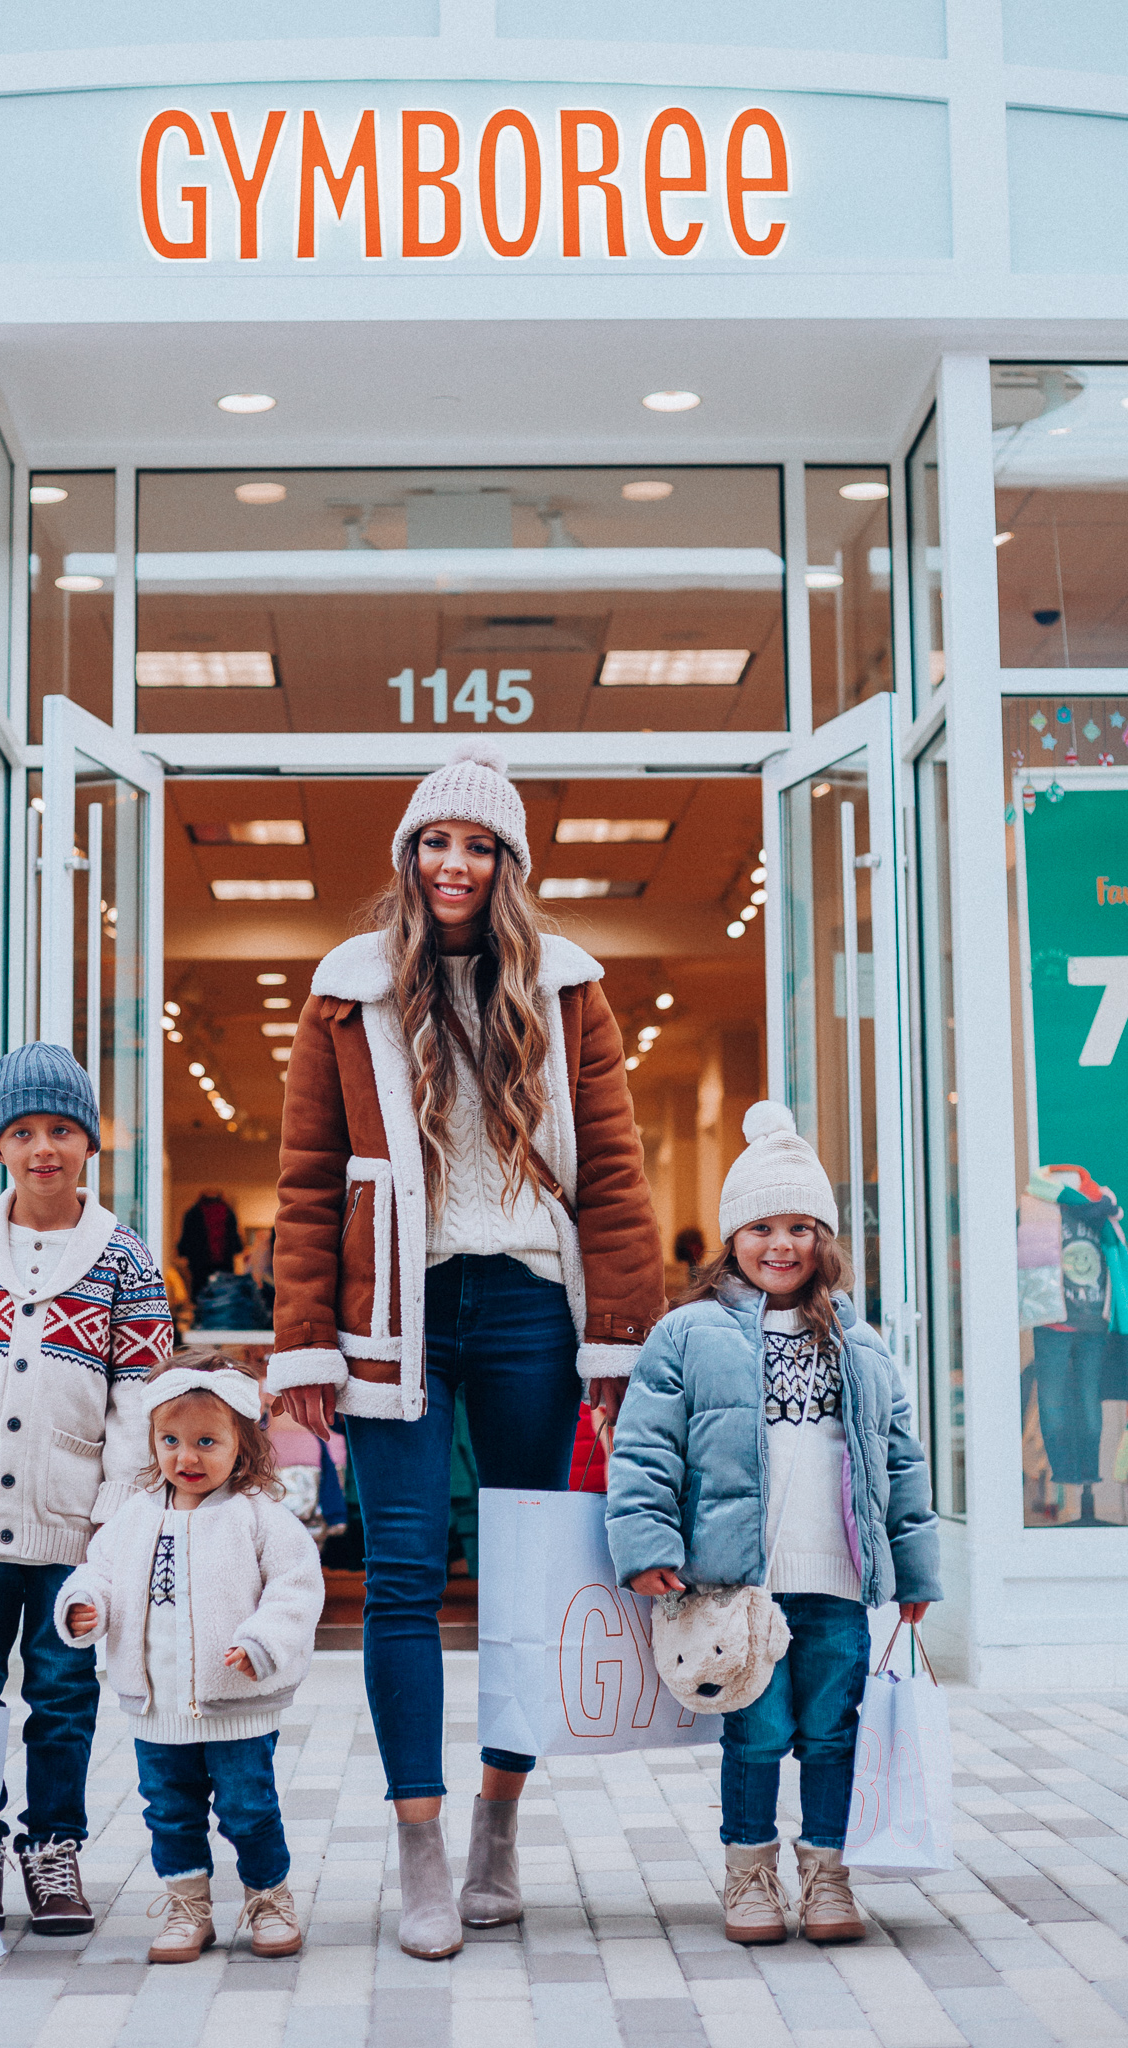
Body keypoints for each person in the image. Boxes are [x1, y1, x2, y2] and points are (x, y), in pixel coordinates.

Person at [270, 740, 664, 1960]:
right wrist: (304, 1350)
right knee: (397, 1575)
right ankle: (420, 1843)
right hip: (395, 1309)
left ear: (506, 863)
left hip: (529, 1308)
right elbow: (301, 1183)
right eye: (435, 841)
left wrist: (617, 1343)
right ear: (407, 855)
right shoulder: (345, 988)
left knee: (525, 1573)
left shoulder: (566, 988)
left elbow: (609, 1172)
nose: (453, 862)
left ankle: (498, 1822)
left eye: (476, 844)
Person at [606, 1101, 941, 1947]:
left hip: (834, 1582)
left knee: (833, 1734)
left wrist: (915, 1572)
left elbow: (899, 1459)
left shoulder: (859, 1345)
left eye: (799, 1226)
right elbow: (647, 1450)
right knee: (755, 1737)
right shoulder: (686, 1335)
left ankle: (827, 1876)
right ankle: (749, 1875)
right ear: (732, 1239)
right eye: (761, 1227)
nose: (780, 1244)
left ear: (824, 1240)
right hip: (737, 1587)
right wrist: (646, 1545)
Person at [0, 1041, 174, 1935]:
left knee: (61, 1694)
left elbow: (140, 1399)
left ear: (90, 1143)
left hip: (72, 1531)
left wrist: (115, 1512)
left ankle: (53, 1851)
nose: (42, 1147)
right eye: (21, 1131)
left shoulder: (124, 1258)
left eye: (60, 1129)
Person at [56, 1355, 323, 1963]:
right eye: (171, 1441)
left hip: (236, 1705)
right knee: (169, 1811)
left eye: (208, 1441)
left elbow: (296, 1588)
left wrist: (262, 1642)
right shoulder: (134, 1516)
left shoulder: (258, 1517)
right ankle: (187, 1907)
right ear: (152, 1442)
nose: (187, 1457)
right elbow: (97, 1573)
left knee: (248, 1808)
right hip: (158, 1707)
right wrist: (82, 1603)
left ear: (242, 1443)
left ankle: (269, 1898)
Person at [178, 1188, 242, 1304]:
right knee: (223, 1297)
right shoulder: (227, 1211)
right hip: (222, 1263)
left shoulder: (193, 1212)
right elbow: (234, 1238)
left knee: (201, 1296)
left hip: (200, 1264)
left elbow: (186, 1238)